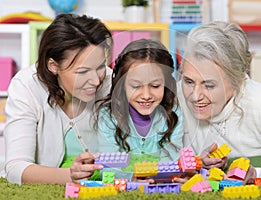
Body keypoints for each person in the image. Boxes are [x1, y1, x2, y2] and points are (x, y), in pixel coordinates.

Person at [177, 21, 261, 185]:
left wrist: (257, 174)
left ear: (236, 82)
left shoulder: (260, 101)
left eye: (209, 85)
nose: (195, 95)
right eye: (189, 81)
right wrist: (199, 165)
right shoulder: (177, 94)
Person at [4, 13, 113, 185]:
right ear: (53, 66)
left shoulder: (109, 82)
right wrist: (70, 176)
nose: (96, 80)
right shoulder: (26, 86)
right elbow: (15, 168)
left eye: (100, 67)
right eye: (82, 72)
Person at [96, 39, 183, 180]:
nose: (146, 96)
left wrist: (155, 176)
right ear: (121, 85)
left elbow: (172, 162)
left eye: (155, 86)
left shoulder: (173, 114)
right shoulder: (109, 116)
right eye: (135, 86)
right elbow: (106, 169)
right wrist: (131, 177)